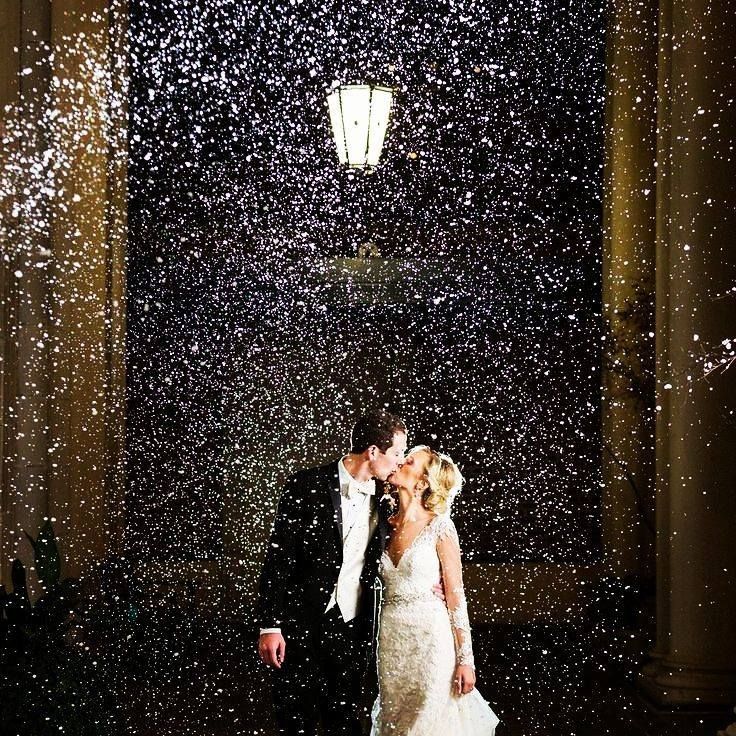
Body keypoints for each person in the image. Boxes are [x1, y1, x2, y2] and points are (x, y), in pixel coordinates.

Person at [256, 411, 444, 735]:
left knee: (344, 722)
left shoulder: (387, 503)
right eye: (398, 453)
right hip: (301, 623)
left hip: (352, 630)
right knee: (295, 719)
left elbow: (410, 544)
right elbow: (279, 558)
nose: (400, 462)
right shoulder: (306, 485)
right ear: (373, 452)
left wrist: (430, 582)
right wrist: (270, 625)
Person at [371, 446, 500, 735]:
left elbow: (455, 596)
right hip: (392, 641)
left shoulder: (439, 526)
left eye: (409, 461)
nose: (400, 462)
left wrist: (466, 660)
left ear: (423, 482)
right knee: (397, 722)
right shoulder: (382, 523)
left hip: (431, 640)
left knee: (429, 720)